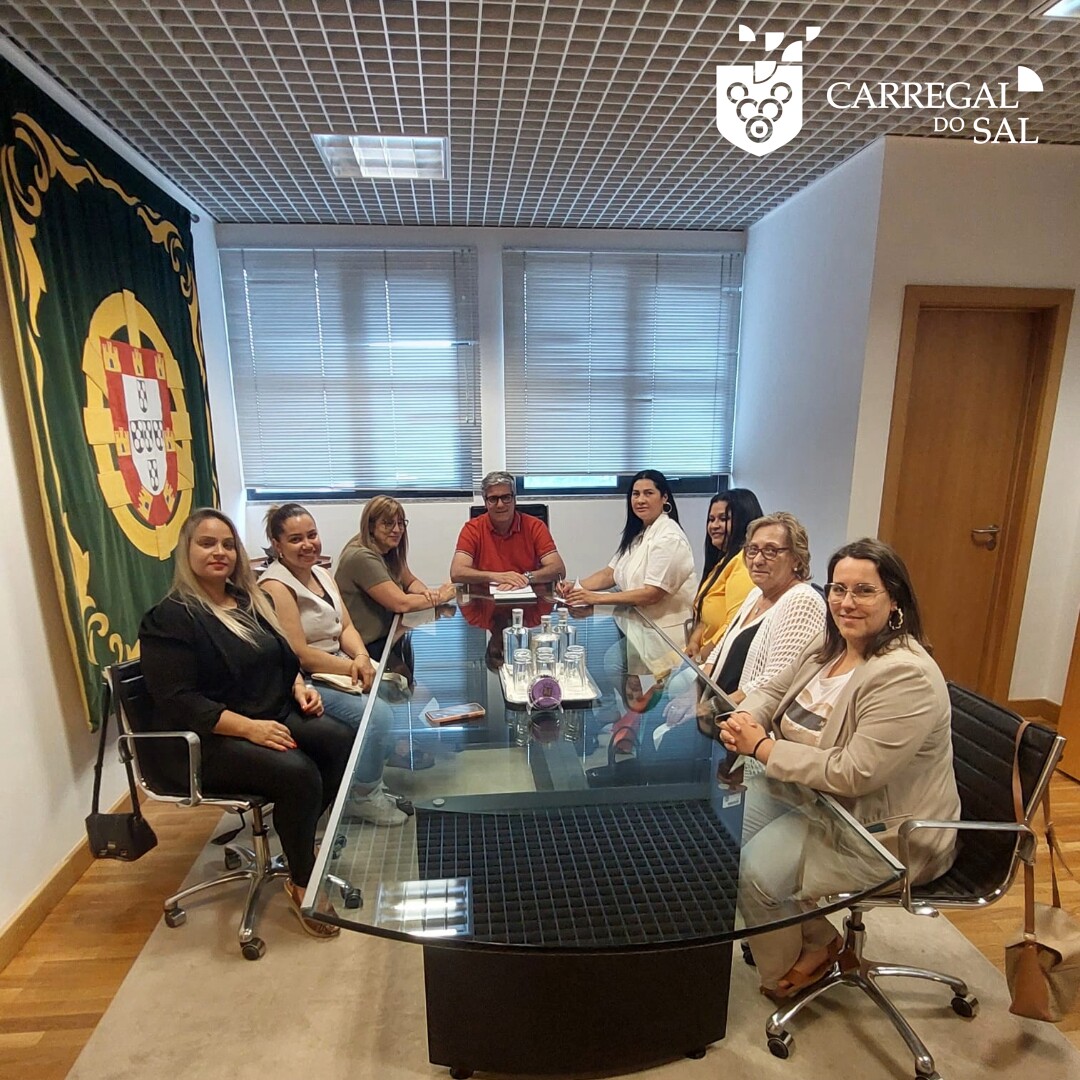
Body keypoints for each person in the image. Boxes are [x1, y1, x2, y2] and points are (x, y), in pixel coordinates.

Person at [718, 538, 960, 999]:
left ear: (895, 601)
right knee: (717, 831)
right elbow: (774, 689)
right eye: (838, 589)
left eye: (864, 591)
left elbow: (855, 772)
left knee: (755, 870)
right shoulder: (831, 644)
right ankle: (820, 938)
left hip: (882, 829)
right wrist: (746, 718)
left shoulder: (904, 674)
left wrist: (764, 748)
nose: (846, 603)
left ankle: (788, 972)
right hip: (814, 797)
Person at [139, 508, 353, 940]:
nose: (219, 552)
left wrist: (298, 686)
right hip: (208, 738)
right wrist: (250, 729)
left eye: (227, 544)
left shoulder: (248, 602)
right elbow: (179, 701)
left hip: (268, 713)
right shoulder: (171, 617)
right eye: (207, 543)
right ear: (186, 551)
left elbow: (281, 659)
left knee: (340, 741)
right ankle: (301, 880)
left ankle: (298, 839)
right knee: (298, 772)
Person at [259, 503, 410, 826]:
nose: (307, 544)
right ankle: (361, 797)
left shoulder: (321, 573)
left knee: (398, 693)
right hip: (305, 680)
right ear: (276, 544)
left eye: (312, 535)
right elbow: (299, 653)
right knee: (379, 716)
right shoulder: (276, 586)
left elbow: (346, 627)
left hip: (340, 666)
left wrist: (360, 658)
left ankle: (368, 781)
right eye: (296, 539)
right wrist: (355, 669)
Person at [335, 496, 456, 659]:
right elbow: (400, 603)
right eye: (388, 523)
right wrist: (440, 596)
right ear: (370, 526)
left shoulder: (388, 549)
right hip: (364, 648)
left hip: (390, 635)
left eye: (400, 523)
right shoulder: (361, 556)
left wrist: (428, 594)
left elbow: (411, 582)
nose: (397, 530)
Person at [450, 471, 566, 591]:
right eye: (493, 499)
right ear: (485, 502)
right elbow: (457, 572)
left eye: (506, 497)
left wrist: (525, 578)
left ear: (514, 499)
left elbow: (558, 569)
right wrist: (495, 577)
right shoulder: (472, 529)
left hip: (530, 597)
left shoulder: (535, 526)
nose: (500, 505)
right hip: (484, 599)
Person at [685, 488, 763, 662]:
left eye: (723, 519)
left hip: (720, 660)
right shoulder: (723, 561)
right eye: (711, 519)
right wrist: (694, 642)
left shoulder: (744, 563)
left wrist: (702, 658)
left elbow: (735, 624)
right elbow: (706, 615)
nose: (714, 526)